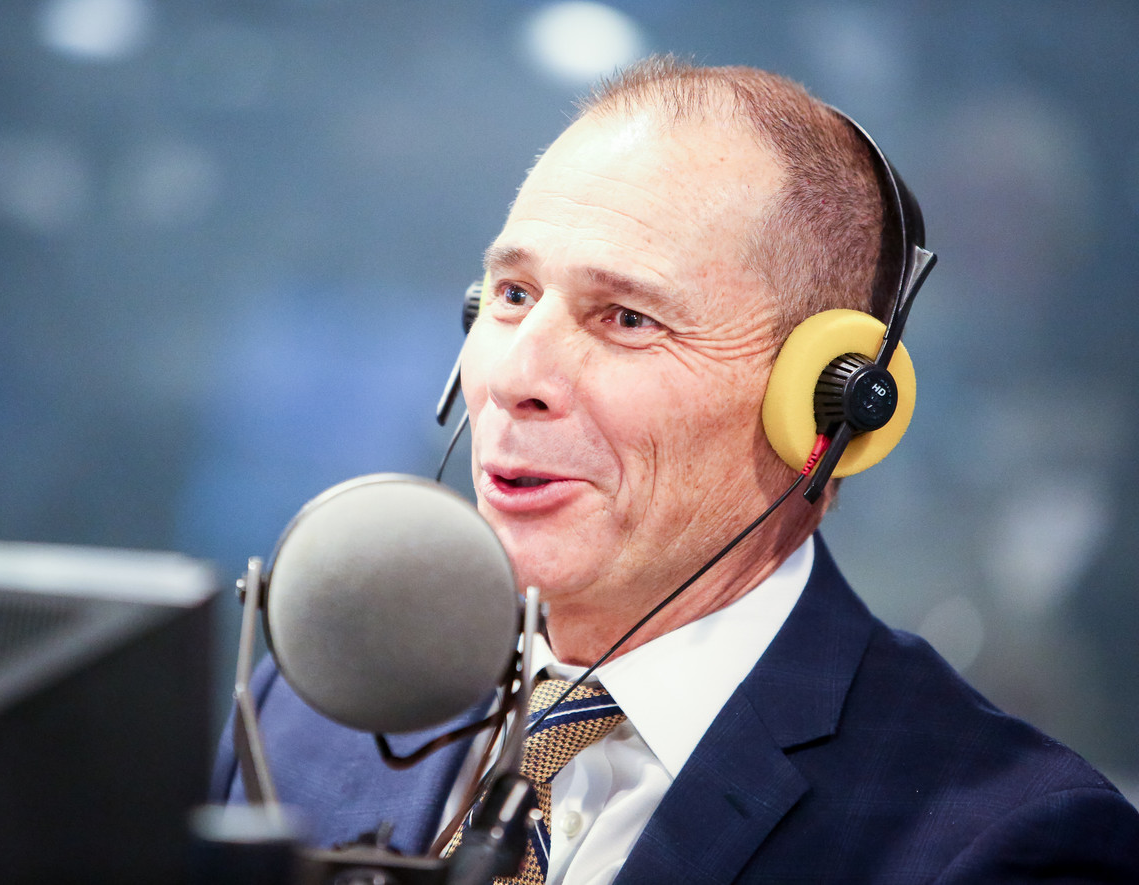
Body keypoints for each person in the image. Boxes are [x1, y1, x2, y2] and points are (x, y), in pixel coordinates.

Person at [211, 57, 1139, 882]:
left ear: (827, 401)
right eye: (513, 295)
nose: (516, 378)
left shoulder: (1005, 844)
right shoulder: (310, 704)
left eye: (626, 318)